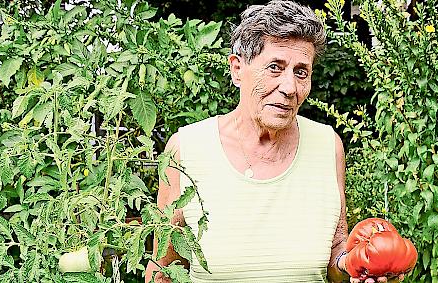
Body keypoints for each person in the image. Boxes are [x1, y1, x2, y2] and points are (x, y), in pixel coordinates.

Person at [144, 1, 406, 282]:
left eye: (301, 72)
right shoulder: (186, 149)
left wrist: (359, 265)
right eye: (275, 67)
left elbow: (334, 254)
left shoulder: (328, 146)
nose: (290, 87)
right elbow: (165, 269)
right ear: (237, 69)